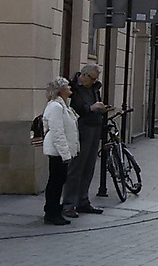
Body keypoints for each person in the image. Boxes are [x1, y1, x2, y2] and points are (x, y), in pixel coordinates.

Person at [62, 64, 109, 219]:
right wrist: (91, 108)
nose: (94, 81)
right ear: (83, 75)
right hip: (80, 130)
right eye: (92, 78)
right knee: (76, 168)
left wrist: (101, 109)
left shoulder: (94, 88)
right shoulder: (73, 88)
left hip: (94, 128)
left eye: (96, 79)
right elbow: (74, 109)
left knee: (89, 167)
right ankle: (69, 204)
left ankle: (83, 200)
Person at [41, 77, 80, 225]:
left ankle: (54, 210)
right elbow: (57, 132)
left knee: (59, 181)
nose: (70, 88)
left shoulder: (63, 105)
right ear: (61, 90)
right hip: (57, 151)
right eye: (67, 86)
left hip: (61, 151)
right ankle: (51, 212)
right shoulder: (56, 107)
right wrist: (65, 154)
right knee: (55, 182)